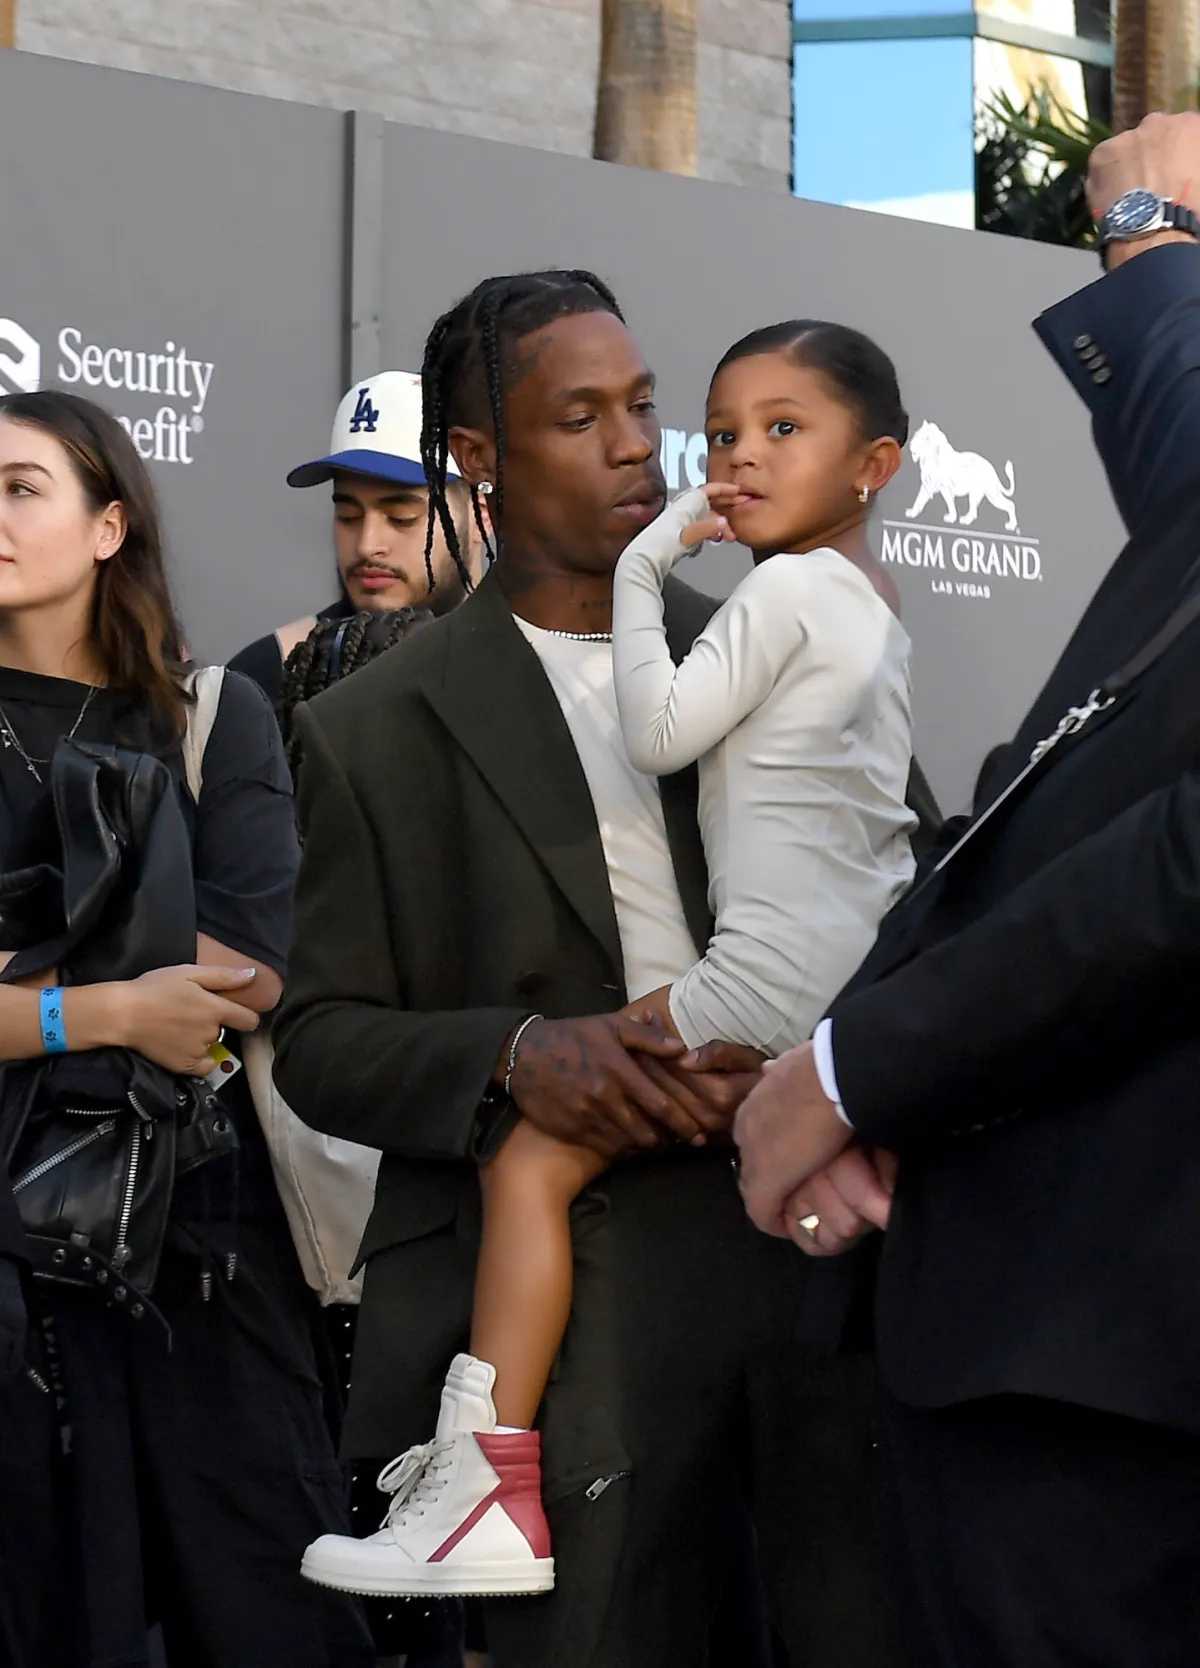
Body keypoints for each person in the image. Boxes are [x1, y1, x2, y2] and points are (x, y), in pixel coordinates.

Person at [276, 269, 897, 1668]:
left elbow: (899, 896)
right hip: (574, 1329)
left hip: (805, 1263)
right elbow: (318, 1039)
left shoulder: (779, 630)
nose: (635, 448)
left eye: (643, 407)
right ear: (478, 456)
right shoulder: (370, 728)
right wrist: (518, 1055)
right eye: (580, 417)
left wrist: (821, 1064)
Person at [734, 111, 1200, 1668]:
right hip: (1041, 1344)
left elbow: (1177, 870)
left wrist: (853, 1072)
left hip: (1104, 1375)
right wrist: (1150, 236)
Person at [0, 389, 373, 1668]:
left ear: (109, 527)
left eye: (21, 488)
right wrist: (104, 1006)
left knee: (271, 1601)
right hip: (11, 1249)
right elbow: (169, 984)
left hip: (200, 1229)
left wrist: (20, 988)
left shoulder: (211, 712)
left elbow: (248, 968)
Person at [229, 370, 488, 705]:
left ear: (481, 515)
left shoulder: (540, 668)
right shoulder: (268, 676)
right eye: (348, 516)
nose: (367, 545)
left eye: (401, 517)